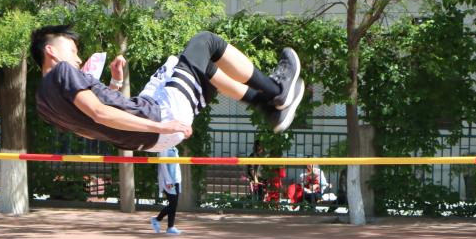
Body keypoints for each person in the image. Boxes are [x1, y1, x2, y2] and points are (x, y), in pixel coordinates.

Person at [31, 27, 305, 152]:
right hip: (160, 118)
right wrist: (163, 126)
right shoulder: (63, 71)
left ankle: (266, 107)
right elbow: (100, 114)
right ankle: (277, 89)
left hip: (146, 140)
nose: (78, 58)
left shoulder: (43, 104)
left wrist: (114, 83)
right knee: (205, 42)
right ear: (51, 51)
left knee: (192, 65)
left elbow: (88, 129)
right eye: (73, 51)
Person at [151, 147, 182, 235]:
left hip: (176, 180)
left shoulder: (174, 147)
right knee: (173, 204)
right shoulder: (164, 148)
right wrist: (168, 181)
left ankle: (170, 227)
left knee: (173, 204)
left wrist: (178, 179)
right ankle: (157, 219)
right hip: (169, 181)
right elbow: (163, 166)